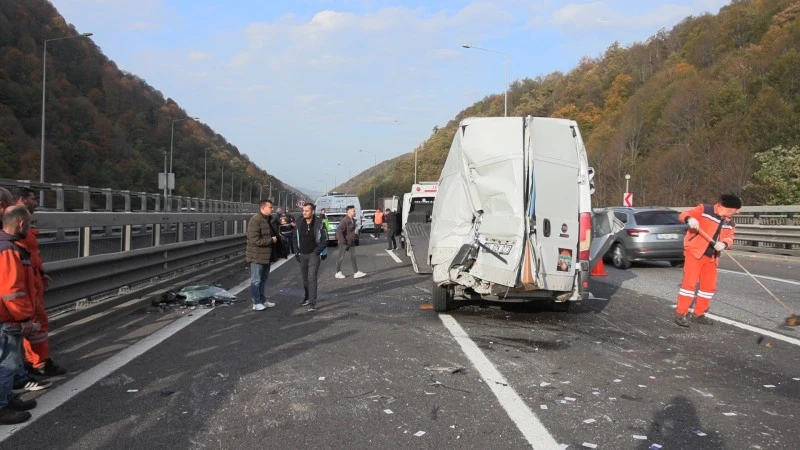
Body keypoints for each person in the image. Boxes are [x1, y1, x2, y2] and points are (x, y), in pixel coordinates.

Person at [13, 189, 66, 377]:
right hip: (25, 282)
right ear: (21, 199)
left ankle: (33, 361)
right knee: (33, 322)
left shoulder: (20, 223)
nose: (36, 203)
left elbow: (31, 255)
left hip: (32, 279)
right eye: (33, 199)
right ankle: (38, 363)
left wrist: (40, 272)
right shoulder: (15, 225)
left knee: (36, 322)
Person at [674, 193, 741, 327]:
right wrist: (690, 219)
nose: (737, 213)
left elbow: (729, 238)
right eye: (735, 210)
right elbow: (683, 214)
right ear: (729, 208)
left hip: (712, 256)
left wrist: (724, 244)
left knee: (709, 287)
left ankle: (699, 314)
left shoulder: (730, 222)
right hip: (695, 252)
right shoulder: (705, 210)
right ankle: (681, 314)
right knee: (689, 284)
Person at [0, 206, 41, 424]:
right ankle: (1, 406)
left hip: (6, 316)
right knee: (7, 363)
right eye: (30, 224)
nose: (31, 228)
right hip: (7, 317)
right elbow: (11, 290)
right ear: (22, 224)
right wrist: (24, 318)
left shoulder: (6, 246)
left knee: (9, 362)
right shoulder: (8, 249)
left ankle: (6, 398)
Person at [246, 199, 278, 311]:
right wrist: (271, 240)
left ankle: (263, 300)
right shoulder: (255, 220)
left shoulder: (269, 220)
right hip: (257, 256)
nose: (272, 209)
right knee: (256, 280)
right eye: (270, 207)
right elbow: (254, 240)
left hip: (267, 255)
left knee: (263, 279)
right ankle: (256, 302)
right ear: (262, 208)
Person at [295, 203, 328, 312]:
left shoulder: (319, 223)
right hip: (302, 253)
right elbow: (295, 237)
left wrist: (316, 252)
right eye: (303, 210)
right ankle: (307, 296)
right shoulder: (299, 222)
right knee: (305, 279)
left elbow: (325, 239)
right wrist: (296, 251)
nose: (304, 212)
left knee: (311, 277)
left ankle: (312, 303)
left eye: (307, 211)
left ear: (312, 212)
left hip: (314, 254)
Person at [335, 205, 366, 279]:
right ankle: (337, 272)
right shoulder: (345, 220)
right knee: (340, 257)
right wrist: (343, 241)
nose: (355, 212)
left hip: (351, 242)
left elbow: (351, 231)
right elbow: (339, 231)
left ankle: (356, 272)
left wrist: (354, 236)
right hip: (344, 243)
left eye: (354, 210)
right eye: (353, 211)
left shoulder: (352, 220)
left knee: (353, 257)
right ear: (349, 212)